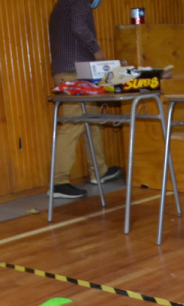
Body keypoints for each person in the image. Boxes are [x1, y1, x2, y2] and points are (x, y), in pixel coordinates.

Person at [49, 0, 120, 199]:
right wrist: (97, 50)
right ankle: (58, 182)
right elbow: (79, 27)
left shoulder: (62, 3)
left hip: (75, 72)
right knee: (73, 124)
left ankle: (99, 170)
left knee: (92, 121)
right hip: (74, 73)